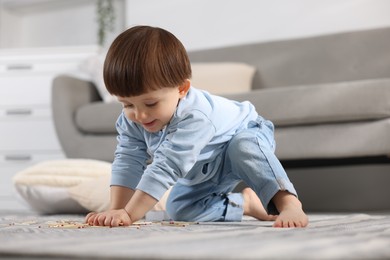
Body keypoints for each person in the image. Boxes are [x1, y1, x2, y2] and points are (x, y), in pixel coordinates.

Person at [85, 25, 308, 228]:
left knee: (243, 147)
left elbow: (167, 165)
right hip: (203, 165)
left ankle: (288, 203)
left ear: (182, 89)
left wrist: (129, 214)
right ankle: (246, 203)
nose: (140, 114)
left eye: (151, 103)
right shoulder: (131, 120)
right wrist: (116, 208)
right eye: (127, 104)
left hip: (243, 136)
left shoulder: (196, 115)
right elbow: (127, 161)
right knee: (179, 209)